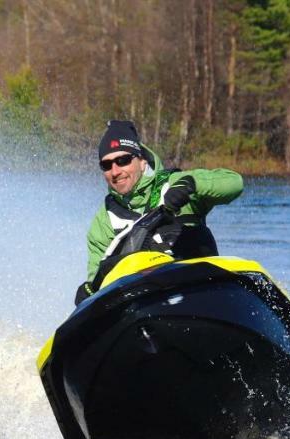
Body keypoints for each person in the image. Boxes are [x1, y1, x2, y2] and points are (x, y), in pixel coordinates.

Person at [76, 120, 244, 304]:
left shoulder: (175, 182)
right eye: (106, 165)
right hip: (145, 306)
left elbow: (235, 183)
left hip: (202, 292)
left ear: (141, 161)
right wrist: (88, 292)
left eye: (123, 161)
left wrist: (192, 185)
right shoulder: (103, 222)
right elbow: (98, 283)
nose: (115, 171)